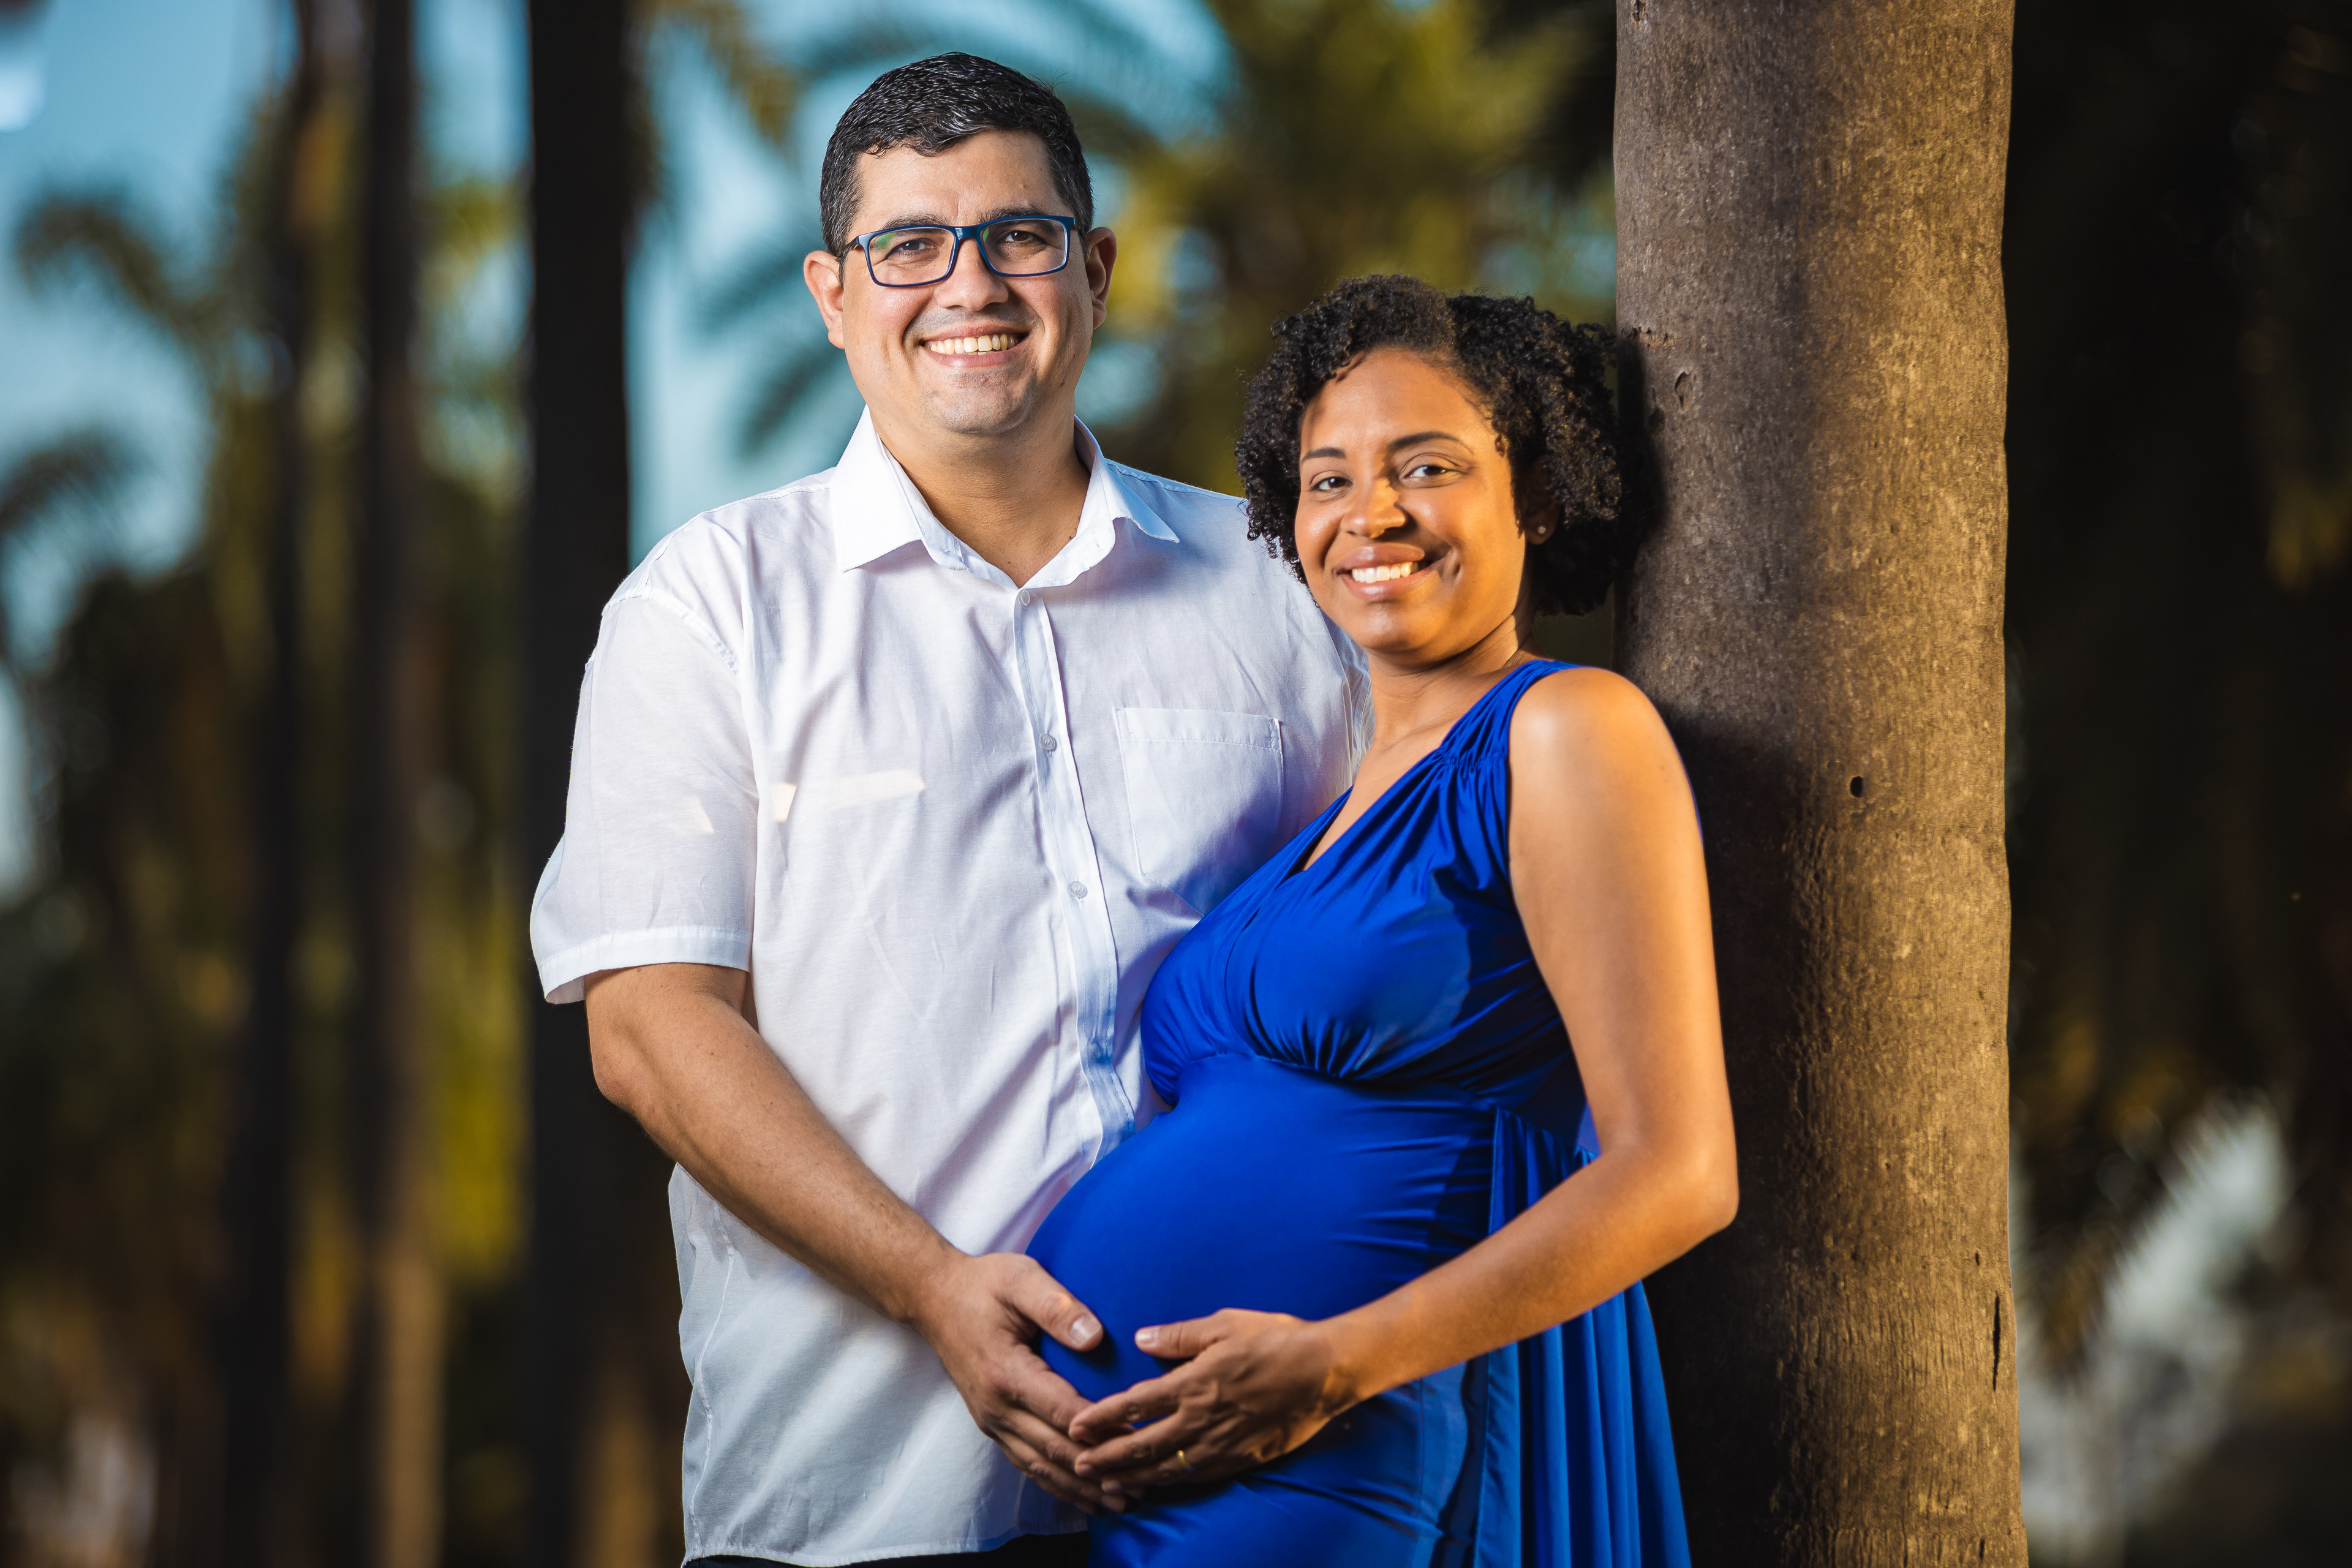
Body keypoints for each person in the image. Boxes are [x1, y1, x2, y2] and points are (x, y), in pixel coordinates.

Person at [527, 55, 1363, 1567]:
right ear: (831, 293)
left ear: (1094, 270)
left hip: (1255, 1493)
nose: (969, 285)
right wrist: (932, 1282)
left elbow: (1385, 956)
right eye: (909, 244)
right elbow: (649, 1027)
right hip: (862, 1507)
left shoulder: (1277, 593)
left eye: (1018, 236)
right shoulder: (712, 605)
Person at [1023, 276, 1738, 1566]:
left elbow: (1678, 1171)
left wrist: (1337, 1362)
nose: (1373, 513)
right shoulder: (1327, 802)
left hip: (1355, 1437)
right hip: (1174, 1471)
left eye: (1428, 467)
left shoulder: (1565, 731)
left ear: (1537, 496)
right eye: (1329, 479)